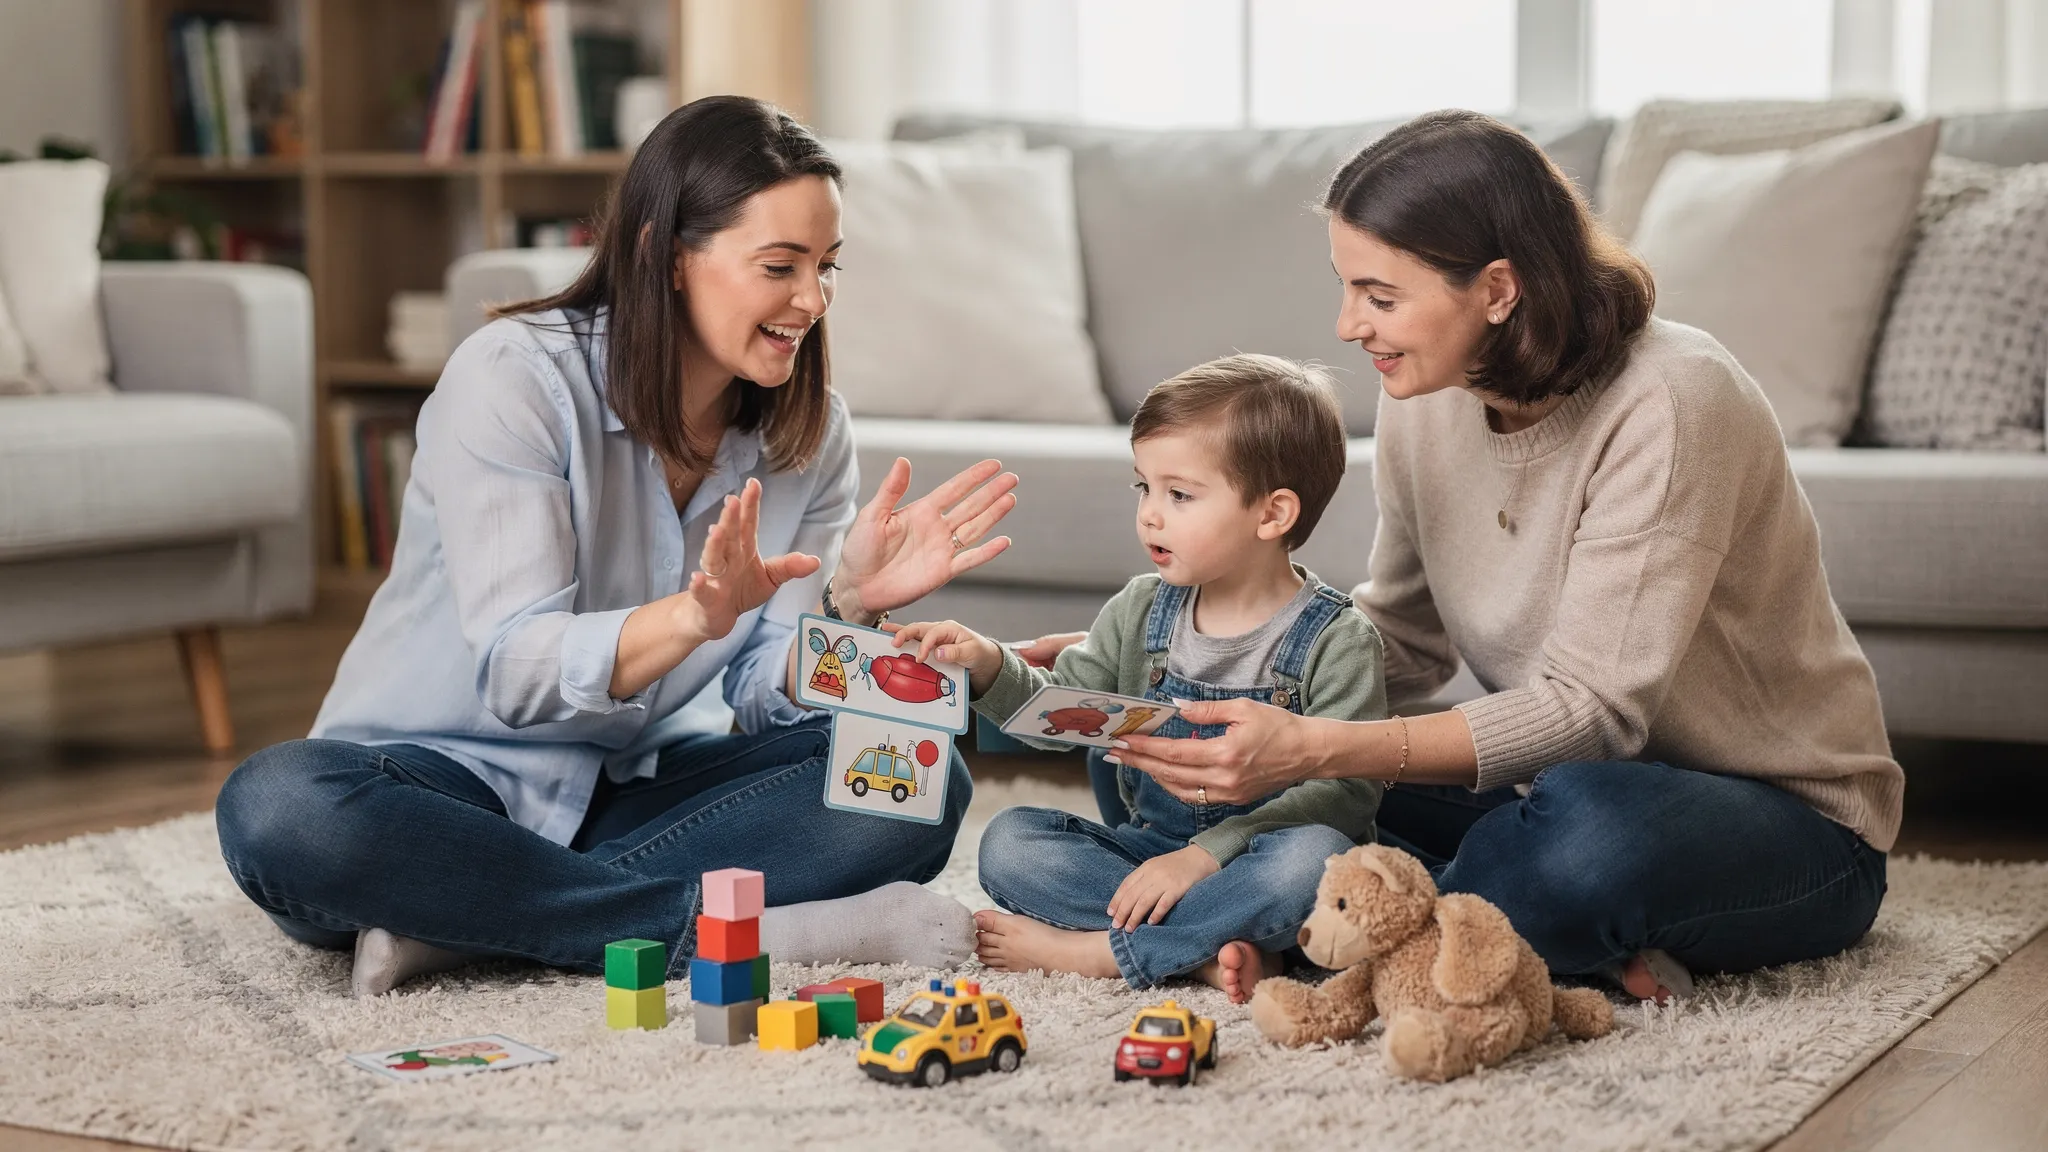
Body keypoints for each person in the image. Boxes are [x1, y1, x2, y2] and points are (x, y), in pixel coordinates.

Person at [1042, 110, 1900, 1004]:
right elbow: (1403, 636)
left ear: (1496, 289)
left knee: (1586, 834)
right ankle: (1405, 927)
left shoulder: (1675, 401)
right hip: (1541, 788)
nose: (1346, 326)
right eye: (1345, 289)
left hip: (1779, 821)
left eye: (1379, 297)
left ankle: (1315, 930)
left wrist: (1315, 748)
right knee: (1161, 739)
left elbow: (1598, 714)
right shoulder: (1428, 391)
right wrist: (1190, 661)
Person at [213, 96, 1021, 997]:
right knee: (278, 808)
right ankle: (766, 931)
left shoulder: (810, 432)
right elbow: (519, 671)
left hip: (628, 791)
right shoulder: (515, 378)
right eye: (779, 267)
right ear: (662, 255)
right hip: (432, 784)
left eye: (827, 267)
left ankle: (473, 922)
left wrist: (851, 607)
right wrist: (689, 616)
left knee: (916, 777)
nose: (812, 300)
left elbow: (760, 692)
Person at [891, 355, 1387, 1002]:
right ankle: (1211, 949)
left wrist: (1204, 856)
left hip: (1259, 856)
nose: (1150, 514)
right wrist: (988, 664)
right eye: (1143, 488)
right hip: (1148, 850)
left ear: (1272, 515)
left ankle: (1111, 952)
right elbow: (1060, 713)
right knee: (1009, 843)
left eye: (1178, 495)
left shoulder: (1338, 640)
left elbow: (1347, 796)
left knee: (1315, 862)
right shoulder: (1139, 609)